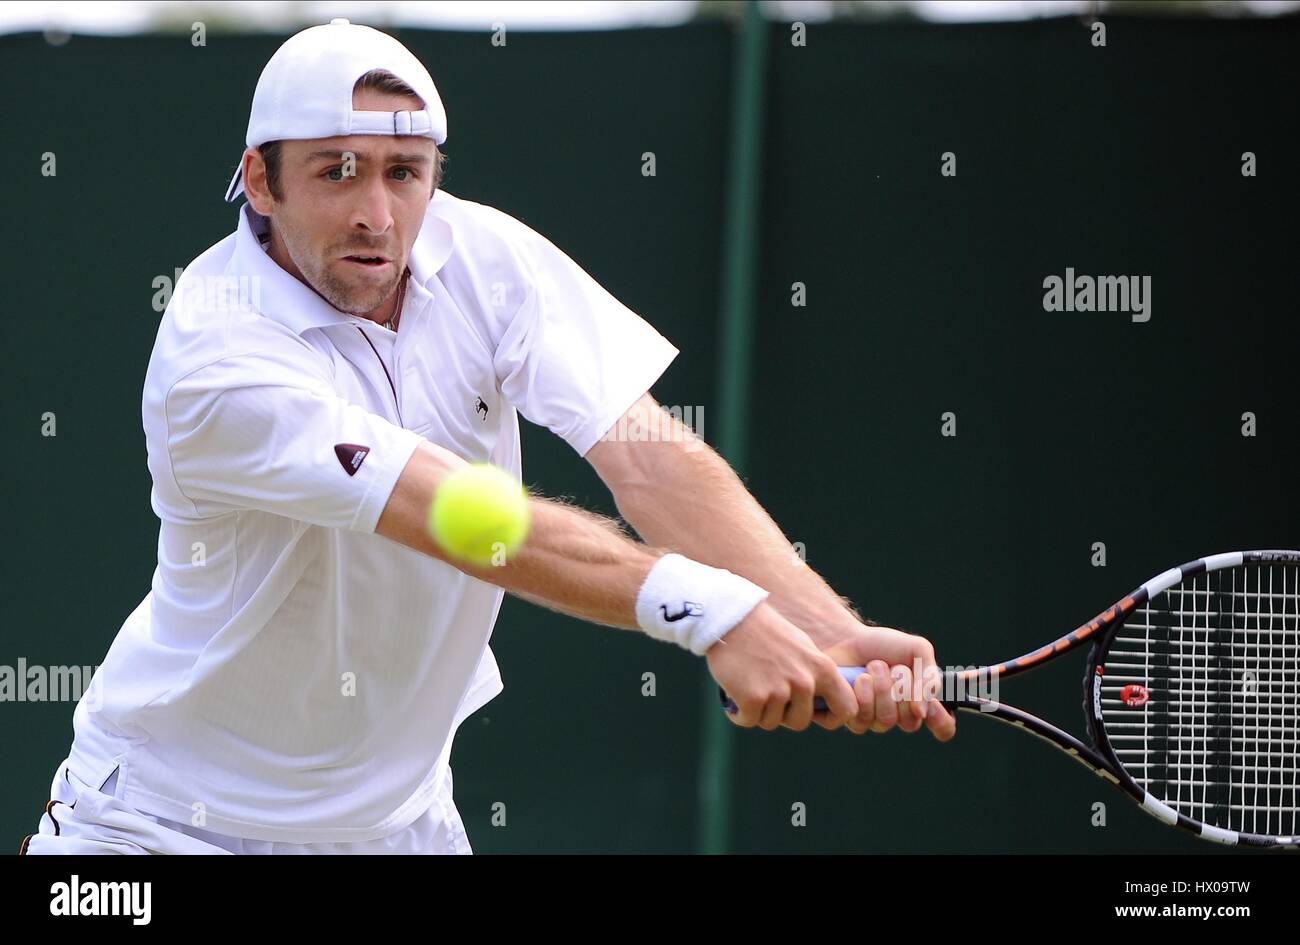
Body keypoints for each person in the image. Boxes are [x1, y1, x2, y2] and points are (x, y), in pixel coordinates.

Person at [21, 19, 954, 856]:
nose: (375, 215)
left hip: (399, 828)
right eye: (335, 170)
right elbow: (455, 513)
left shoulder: (483, 258)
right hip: (160, 826)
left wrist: (825, 630)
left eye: (404, 173)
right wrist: (710, 610)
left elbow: (648, 455)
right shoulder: (213, 357)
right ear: (261, 180)